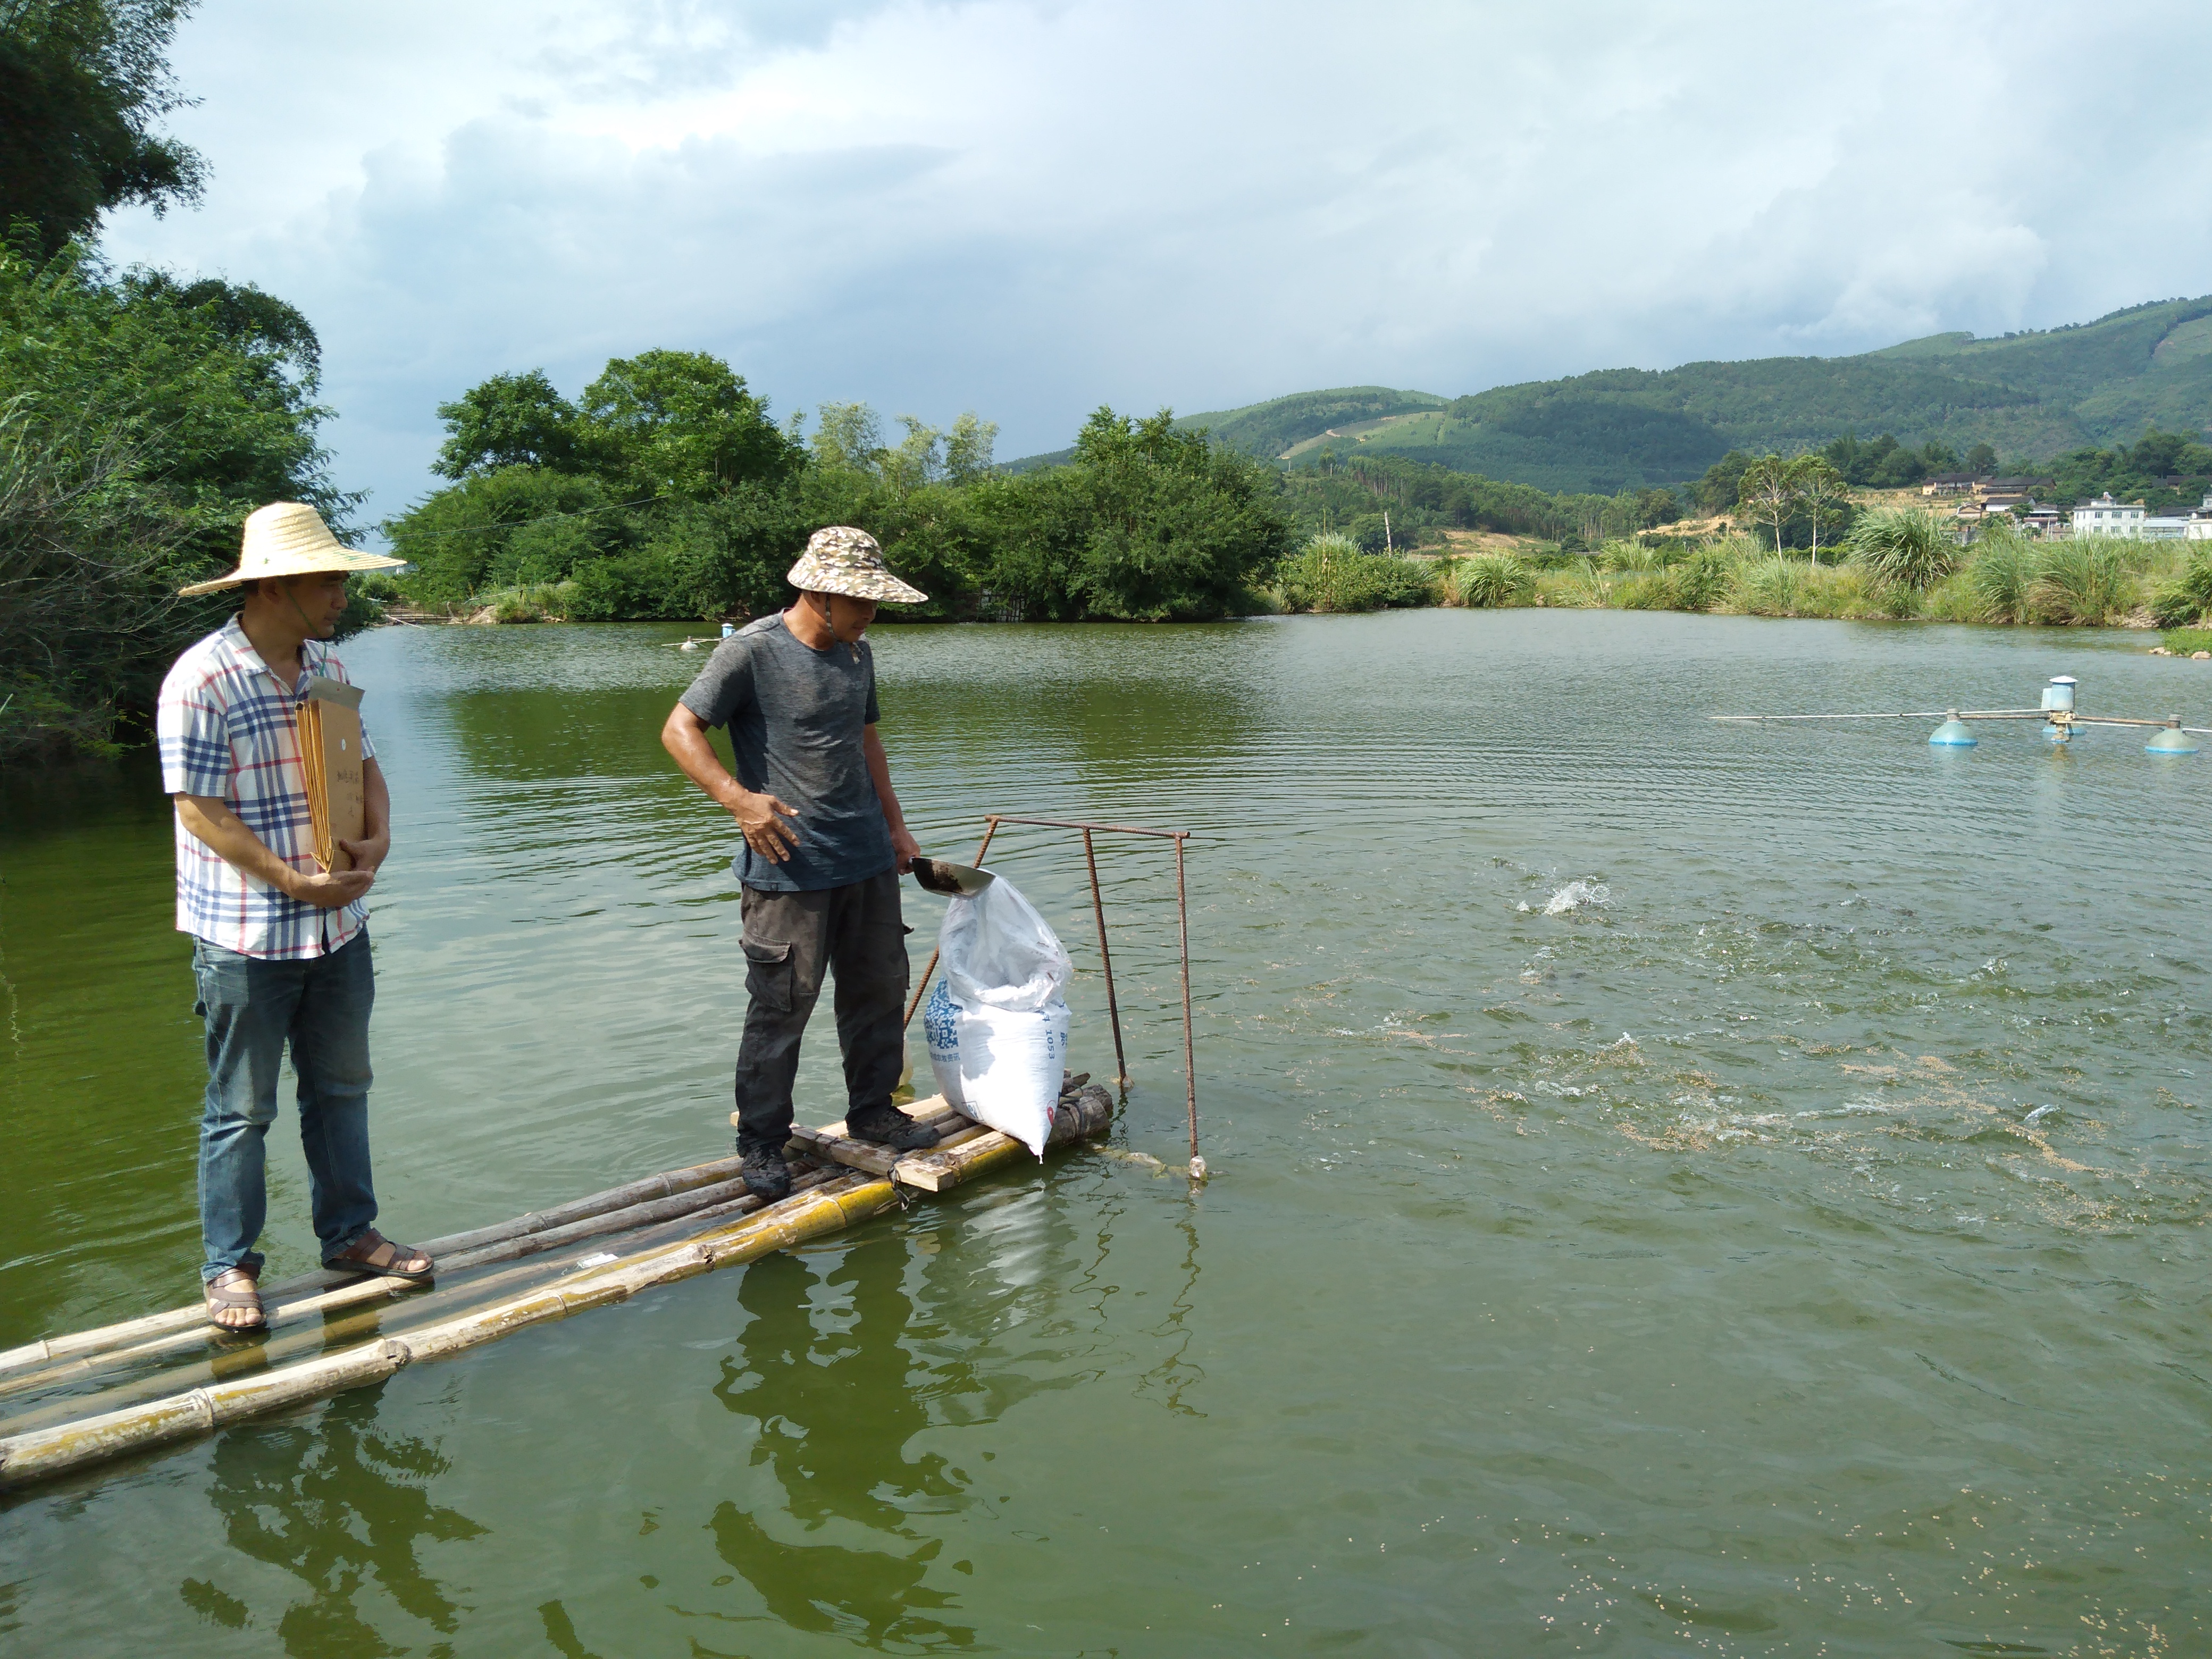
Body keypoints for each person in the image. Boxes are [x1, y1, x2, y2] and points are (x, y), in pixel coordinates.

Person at [158, 502, 435, 1331]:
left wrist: (378, 840)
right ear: (275, 587)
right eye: (331, 579)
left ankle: (349, 1235)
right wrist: (290, 880)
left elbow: (365, 765)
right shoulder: (203, 679)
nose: (344, 593)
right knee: (241, 1110)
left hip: (338, 929)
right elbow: (200, 810)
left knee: (342, 1089)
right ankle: (230, 1267)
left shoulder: (326, 663)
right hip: (247, 934)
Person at [660, 526, 939, 1201]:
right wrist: (738, 801)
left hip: (866, 857)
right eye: (862, 603)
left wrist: (897, 828)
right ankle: (761, 1139)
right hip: (788, 865)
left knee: (878, 989)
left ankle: (873, 1110)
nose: (871, 616)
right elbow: (678, 730)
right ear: (818, 593)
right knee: (781, 1006)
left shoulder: (856, 654)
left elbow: (866, 741)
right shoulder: (750, 652)